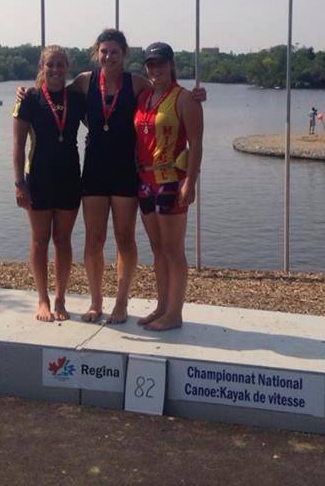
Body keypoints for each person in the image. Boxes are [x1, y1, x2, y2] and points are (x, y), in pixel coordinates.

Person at [16, 28, 205, 324]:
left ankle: (121, 303)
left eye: (115, 52)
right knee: (94, 239)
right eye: (104, 51)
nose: (109, 56)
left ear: (124, 54)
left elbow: (165, 90)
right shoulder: (84, 82)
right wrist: (26, 91)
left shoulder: (137, 83)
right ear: (97, 53)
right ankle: (95, 302)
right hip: (93, 170)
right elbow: (53, 92)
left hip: (126, 171)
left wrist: (194, 94)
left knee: (125, 239)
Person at [12, 45, 86, 322]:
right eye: (50, 65)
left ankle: (60, 298)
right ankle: (42, 299)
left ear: (67, 68)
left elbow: (108, 113)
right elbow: (18, 146)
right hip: (38, 179)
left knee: (63, 240)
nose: (55, 70)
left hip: (69, 177)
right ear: (41, 68)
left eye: (60, 65)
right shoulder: (29, 98)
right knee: (40, 240)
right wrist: (19, 183)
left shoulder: (76, 98)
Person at [134, 42, 203, 331]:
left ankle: (175, 313)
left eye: (161, 63)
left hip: (171, 180)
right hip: (144, 181)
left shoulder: (184, 98)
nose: (155, 69)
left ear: (171, 64)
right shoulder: (144, 96)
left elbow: (196, 143)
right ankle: (162, 307)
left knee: (173, 249)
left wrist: (191, 182)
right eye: (150, 64)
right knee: (157, 248)